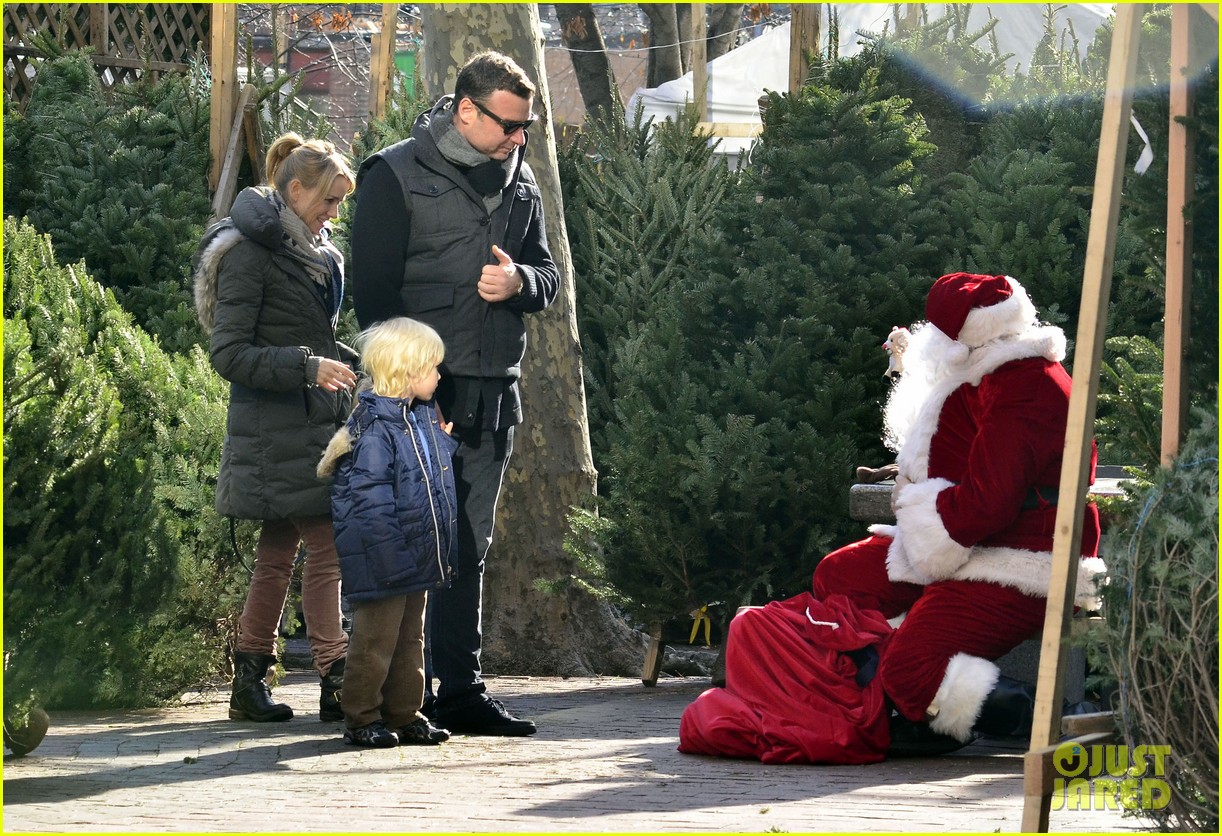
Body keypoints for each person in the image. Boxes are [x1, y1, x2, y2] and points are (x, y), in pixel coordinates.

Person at [679, 272, 1107, 762]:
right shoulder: (982, 375)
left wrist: (923, 514)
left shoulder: (1024, 387)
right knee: (840, 575)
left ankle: (1063, 718)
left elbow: (987, 504)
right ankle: (887, 694)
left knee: (911, 668)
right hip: (972, 544)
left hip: (1025, 560)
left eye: (937, 332)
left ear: (964, 337)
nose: (927, 339)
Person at [349, 51, 560, 736]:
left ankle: (460, 693)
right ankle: (381, 702)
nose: (518, 138)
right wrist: (410, 394)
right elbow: (371, 297)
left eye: (526, 127)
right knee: (406, 548)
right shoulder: (393, 174)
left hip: (494, 392)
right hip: (414, 400)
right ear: (466, 110)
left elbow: (550, 276)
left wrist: (520, 282)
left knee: (469, 544)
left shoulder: (523, 177)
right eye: (508, 125)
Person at [194, 132, 358, 724]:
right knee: (327, 547)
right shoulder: (250, 255)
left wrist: (347, 363)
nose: (334, 214)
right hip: (275, 431)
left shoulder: (311, 253)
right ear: (295, 192)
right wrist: (307, 367)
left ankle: (248, 681)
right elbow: (229, 354)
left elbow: (305, 335)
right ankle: (337, 675)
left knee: (277, 553)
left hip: (305, 426)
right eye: (329, 200)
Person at [317, 317, 458, 748]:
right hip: (385, 558)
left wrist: (443, 443)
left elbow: (424, 483)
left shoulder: (416, 419)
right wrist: (390, 558)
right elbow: (369, 502)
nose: (439, 375)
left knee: (411, 639)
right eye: (433, 367)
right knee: (374, 641)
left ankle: (404, 712)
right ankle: (361, 717)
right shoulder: (375, 428)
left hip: (414, 554)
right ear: (407, 370)